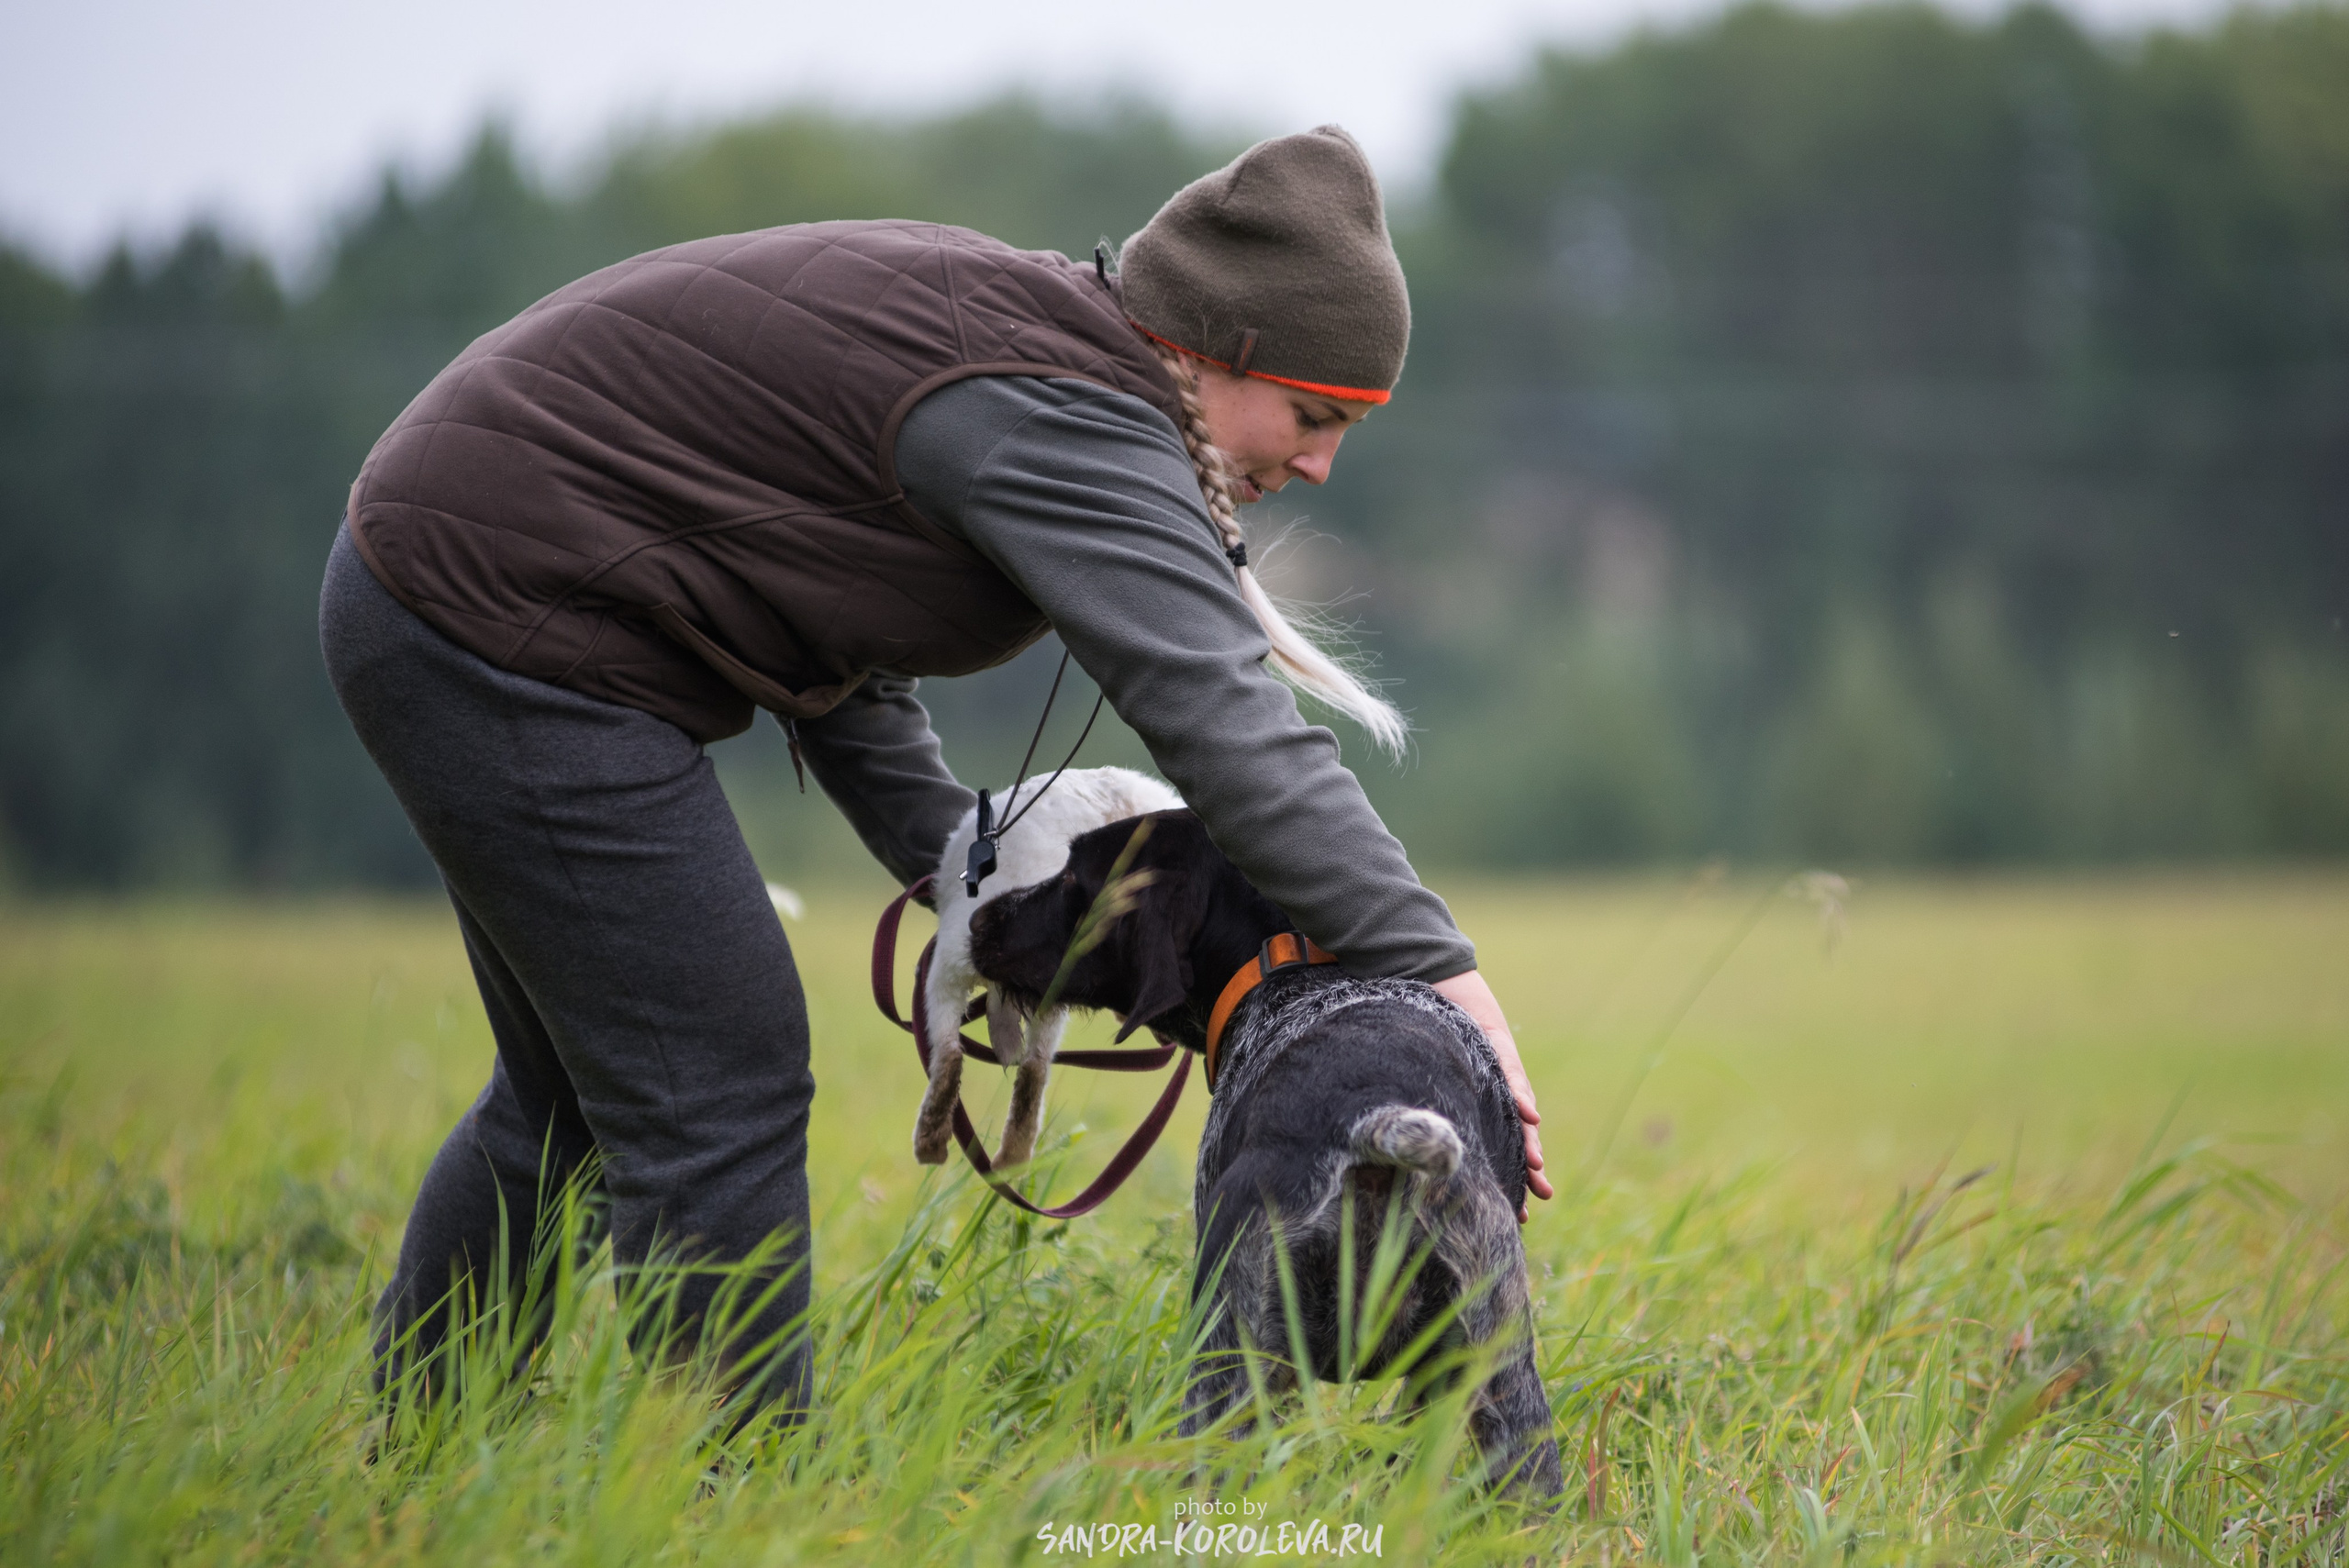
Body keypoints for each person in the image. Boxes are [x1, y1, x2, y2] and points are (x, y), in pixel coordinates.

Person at [319, 123, 1552, 1418]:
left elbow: (829, 618)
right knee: (720, 1071)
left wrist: (955, 857)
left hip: (441, 587)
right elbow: (1228, 725)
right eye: (1313, 415)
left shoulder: (1051, 367)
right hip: (496, 623)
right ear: (1222, 347)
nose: (1317, 464)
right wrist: (1447, 979)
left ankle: (420, 1469)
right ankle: (730, 1499)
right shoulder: (1063, 410)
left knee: (571, 1095)